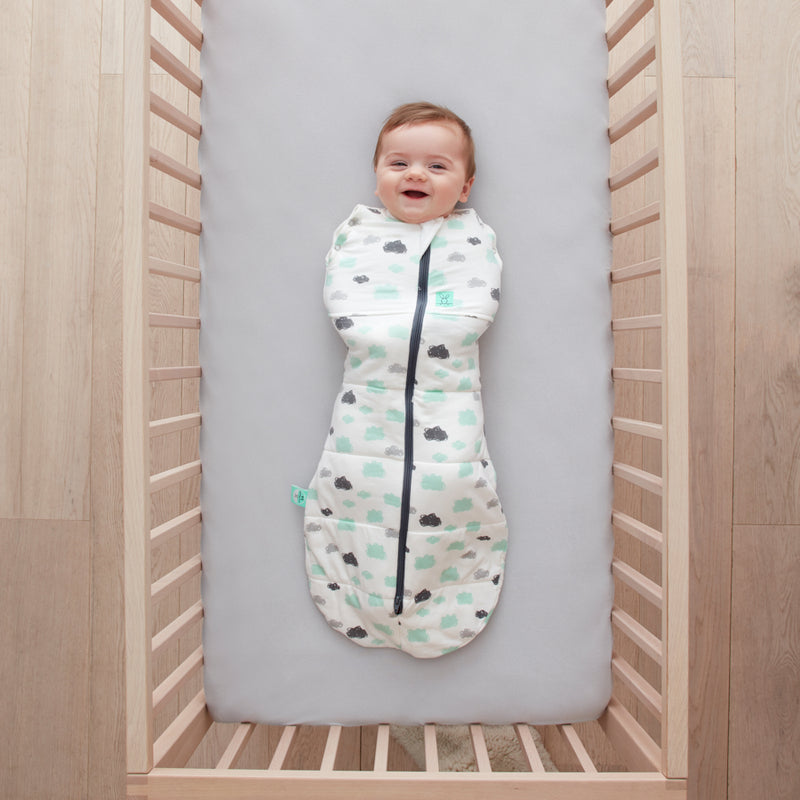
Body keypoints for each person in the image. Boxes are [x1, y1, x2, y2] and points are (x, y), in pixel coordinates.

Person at [301, 103, 508, 658]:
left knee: (451, 486)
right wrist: (379, 334)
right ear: (377, 175)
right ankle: (366, 594)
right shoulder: (360, 236)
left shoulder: (470, 239)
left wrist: (447, 323)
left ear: (465, 188)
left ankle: (438, 593)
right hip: (367, 407)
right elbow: (348, 305)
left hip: (450, 407)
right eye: (399, 162)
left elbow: (472, 308)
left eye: (436, 167)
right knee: (364, 489)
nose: (415, 174)